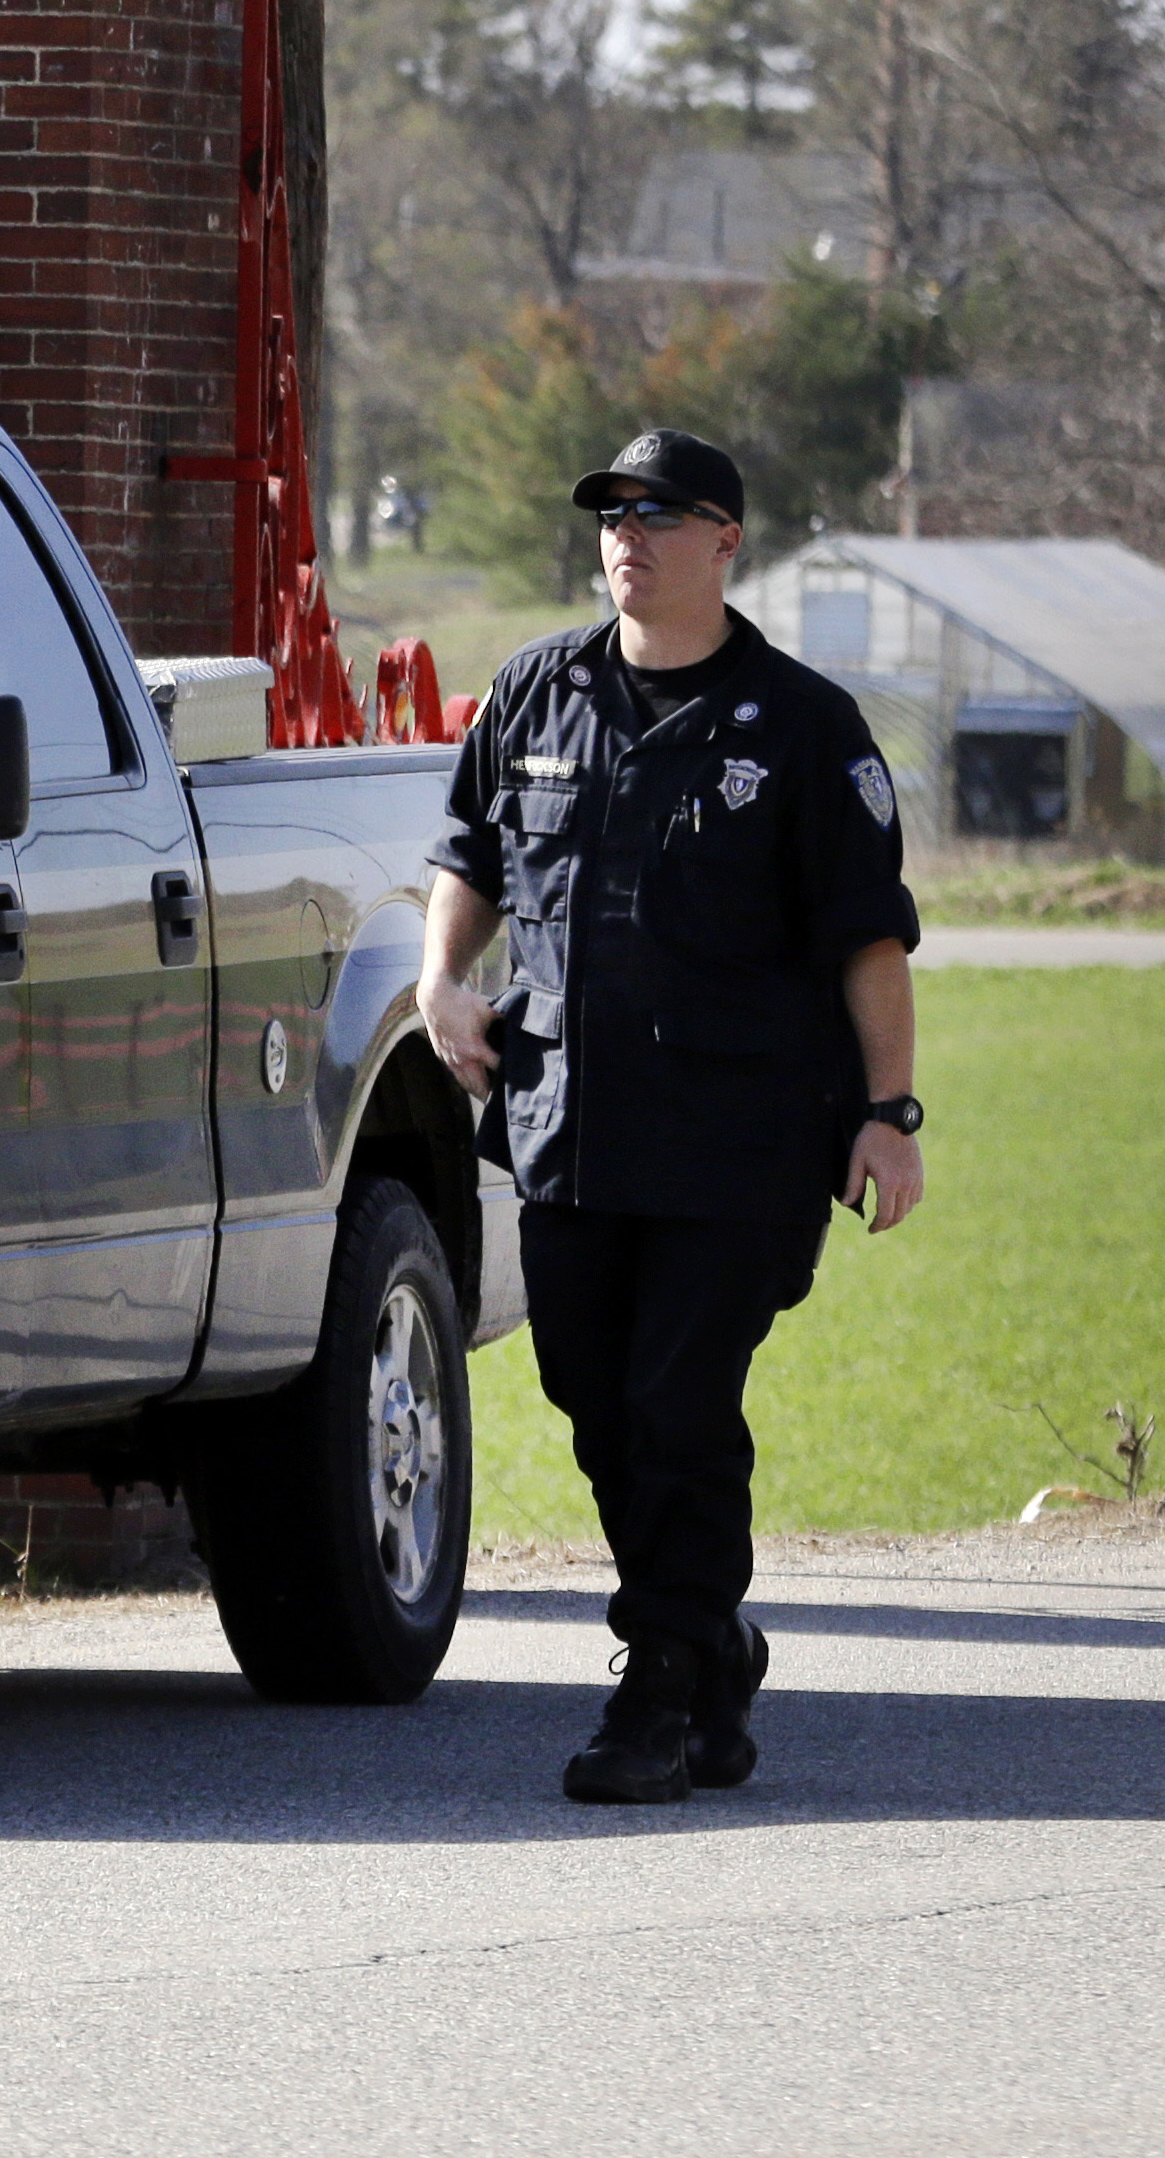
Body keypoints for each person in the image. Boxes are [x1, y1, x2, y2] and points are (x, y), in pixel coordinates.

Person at [416, 427, 926, 1806]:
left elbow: (867, 941)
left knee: (680, 1401)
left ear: (725, 543)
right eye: (612, 515)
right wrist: (441, 978)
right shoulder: (536, 694)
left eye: (659, 514)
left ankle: (656, 1686)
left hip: (742, 1138)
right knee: (593, 1396)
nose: (626, 536)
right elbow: (469, 855)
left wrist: (891, 1112)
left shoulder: (802, 727)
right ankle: (713, 1639)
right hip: (569, 1123)